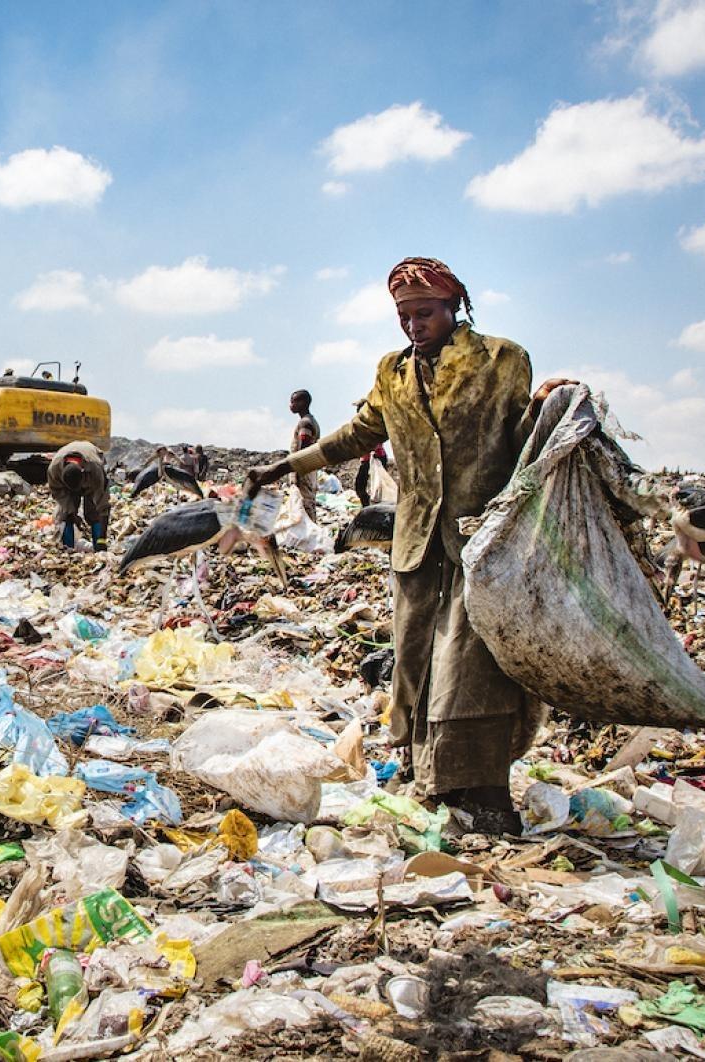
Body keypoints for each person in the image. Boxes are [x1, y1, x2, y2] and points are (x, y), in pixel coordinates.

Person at [247, 257, 574, 834]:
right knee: (416, 660)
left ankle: (482, 794)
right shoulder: (392, 374)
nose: (413, 324)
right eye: (404, 315)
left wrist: (550, 405)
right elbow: (356, 435)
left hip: (481, 541)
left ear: (454, 307)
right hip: (416, 540)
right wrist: (285, 465)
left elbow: (523, 438)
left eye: (424, 312)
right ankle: (424, 774)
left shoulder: (502, 360)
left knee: (473, 668)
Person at [47, 440, 109, 550]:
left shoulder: (95, 469)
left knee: (93, 512)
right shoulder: (54, 469)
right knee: (65, 515)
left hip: (91, 461)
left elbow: (103, 505)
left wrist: (102, 538)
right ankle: (68, 548)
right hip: (67, 485)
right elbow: (57, 492)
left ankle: (98, 546)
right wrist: (71, 511)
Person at [290, 390, 321, 522]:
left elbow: (303, 449)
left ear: (303, 403)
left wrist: (298, 472)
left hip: (304, 470)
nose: (291, 405)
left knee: (304, 504)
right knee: (307, 503)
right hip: (310, 469)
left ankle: (310, 536)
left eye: (294, 401)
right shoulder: (310, 420)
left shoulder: (305, 423)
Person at [355, 441, 391, 506]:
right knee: (359, 486)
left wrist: (373, 451)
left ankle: (380, 505)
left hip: (377, 458)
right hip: (366, 460)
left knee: (379, 485)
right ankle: (366, 505)